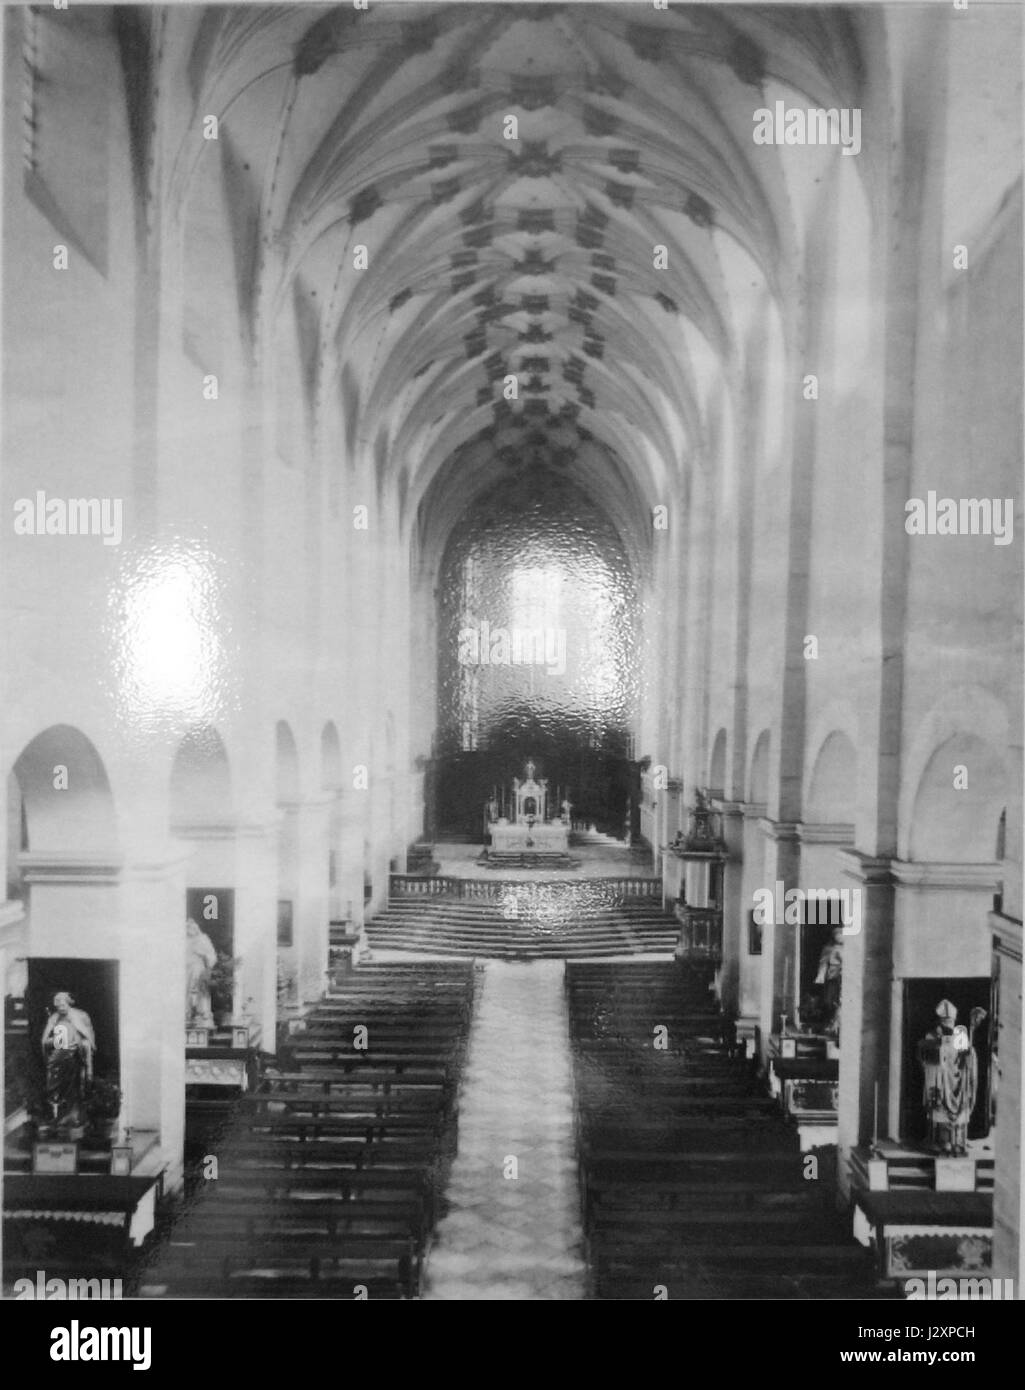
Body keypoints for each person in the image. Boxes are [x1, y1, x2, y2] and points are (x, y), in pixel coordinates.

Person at [917, 999, 987, 1155]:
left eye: (950, 1023)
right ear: (941, 1022)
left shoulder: (960, 1036)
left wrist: (969, 1055)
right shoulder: (932, 1036)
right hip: (940, 1085)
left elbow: (968, 1060)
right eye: (945, 1024)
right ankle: (943, 1142)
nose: (948, 1026)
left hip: (957, 1086)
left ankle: (957, 1142)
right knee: (938, 1102)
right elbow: (925, 1057)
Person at [41, 991, 95, 1132]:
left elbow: (88, 1040)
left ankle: (74, 1115)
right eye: (57, 1006)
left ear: (69, 1003)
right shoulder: (53, 1018)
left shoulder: (81, 1016)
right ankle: (60, 1116)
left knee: (75, 1088)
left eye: (63, 1004)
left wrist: (79, 1043)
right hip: (58, 1060)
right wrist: (56, 1041)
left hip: (75, 1059)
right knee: (56, 1089)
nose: (61, 1008)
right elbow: (45, 1042)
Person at [186, 917, 217, 1026]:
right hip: (186, 971)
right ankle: (188, 1015)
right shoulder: (184, 940)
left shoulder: (203, 939)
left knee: (200, 993)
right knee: (187, 993)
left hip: (198, 969)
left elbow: (211, 956)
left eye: (192, 926)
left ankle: (202, 1016)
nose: (190, 928)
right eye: (187, 926)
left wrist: (204, 957)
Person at [813, 926, 844, 1038]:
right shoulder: (829, 949)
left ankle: (838, 1026)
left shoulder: (847, 949)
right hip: (833, 978)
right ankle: (830, 1025)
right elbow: (823, 963)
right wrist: (820, 976)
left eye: (842, 935)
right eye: (838, 935)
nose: (840, 937)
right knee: (830, 1002)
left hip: (844, 978)